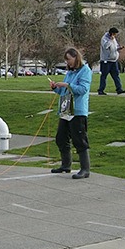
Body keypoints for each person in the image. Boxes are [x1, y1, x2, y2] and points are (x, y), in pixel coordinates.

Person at [49, 48, 93, 179]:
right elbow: (64, 91)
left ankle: (85, 169)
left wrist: (68, 85)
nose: (67, 62)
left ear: (75, 57)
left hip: (78, 111)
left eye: (68, 59)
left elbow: (83, 89)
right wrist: (56, 88)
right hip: (66, 109)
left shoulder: (85, 71)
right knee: (61, 137)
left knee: (79, 139)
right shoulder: (70, 72)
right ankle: (66, 165)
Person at [98, 27, 125, 95]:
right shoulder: (104, 38)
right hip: (106, 60)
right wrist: (110, 40)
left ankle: (119, 89)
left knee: (116, 75)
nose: (115, 36)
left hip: (113, 60)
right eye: (114, 34)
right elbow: (106, 46)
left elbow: (115, 47)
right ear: (111, 33)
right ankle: (101, 90)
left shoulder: (114, 39)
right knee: (104, 76)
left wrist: (119, 48)